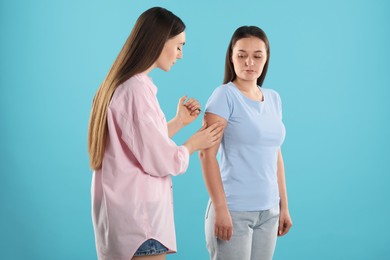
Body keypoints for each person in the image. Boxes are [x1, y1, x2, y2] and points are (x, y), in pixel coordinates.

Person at [88, 7, 223, 260]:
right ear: (160, 41)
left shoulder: (119, 85)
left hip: (120, 221)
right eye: (179, 46)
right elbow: (160, 160)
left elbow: (137, 143)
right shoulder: (136, 91)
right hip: (141, 225)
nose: (181, 55)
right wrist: (194, 143)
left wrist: (179, 122)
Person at [199, 26, 293, 260]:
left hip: (269, 212)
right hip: (234, 210)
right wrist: (220, 208)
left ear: (266, 58)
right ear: (231, 57)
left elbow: (275, 154)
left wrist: (283, 205)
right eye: (241, 55)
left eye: (257, 56)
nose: (249, 62)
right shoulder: (224, 96)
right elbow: (206, 155)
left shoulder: (273, 98)